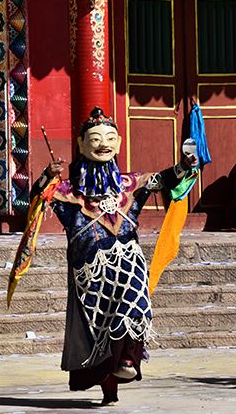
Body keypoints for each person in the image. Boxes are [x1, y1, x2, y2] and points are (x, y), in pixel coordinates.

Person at [31, 108, 198, 406]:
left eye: (109, 138)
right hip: (90, 271)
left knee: (136, 305)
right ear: (82, 145)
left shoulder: (131, 184)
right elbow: (34, 198)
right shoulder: (70, 192)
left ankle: (130, 362)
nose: (103, 143)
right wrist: (47, 175)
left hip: (129, 259)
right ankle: (110, 389)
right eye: (94, 138)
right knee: (101, 331)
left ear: (120, 143)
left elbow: (163, 179)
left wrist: (183, 166)